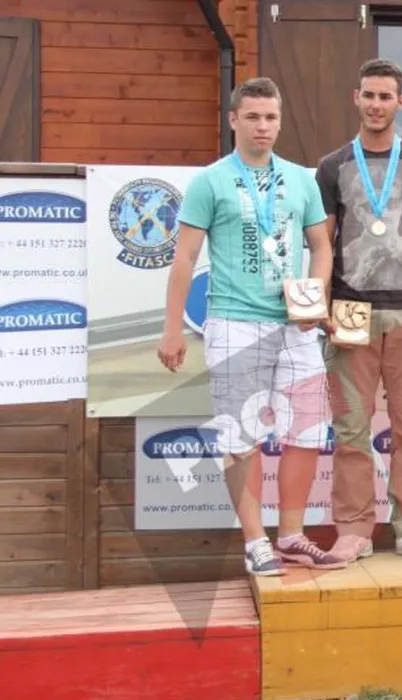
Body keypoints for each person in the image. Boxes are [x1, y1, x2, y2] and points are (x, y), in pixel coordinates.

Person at [157, 77, 344, 576]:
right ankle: (256, 541)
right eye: (254, 117)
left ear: (280, 121)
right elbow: (184, 257)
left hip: (296, 327)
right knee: (241, 437)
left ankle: (292, 535)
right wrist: (172, 328)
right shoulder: (210, 181)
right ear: (233, 120)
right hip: (234, 323)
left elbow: (321, 246)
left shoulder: (301, 179)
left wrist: (314, 297)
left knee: (307, 431)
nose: (263, 126)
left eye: (271, 117)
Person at [315, 58, 402, 562]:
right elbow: (321, 241)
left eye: (385, 96)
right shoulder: (332, 166)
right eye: (369, 95)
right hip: (349, 310)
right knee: (351, 426)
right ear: (356, 98)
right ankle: (354, 529)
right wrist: (320, 303)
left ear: (400, 102)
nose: (376, 105)